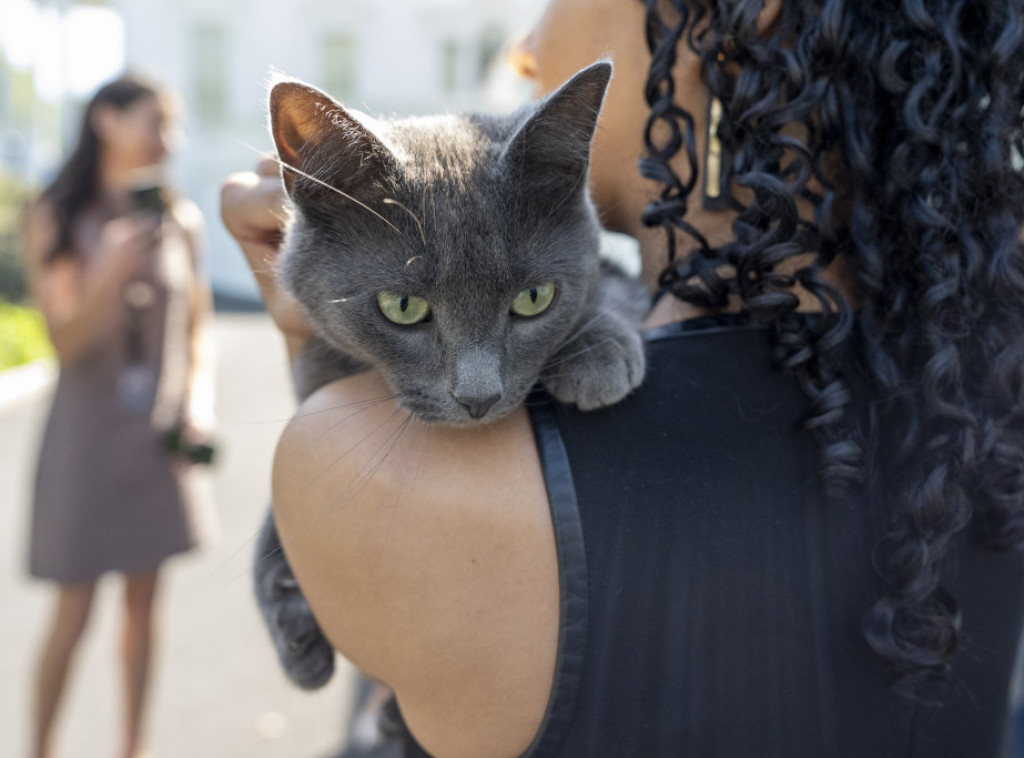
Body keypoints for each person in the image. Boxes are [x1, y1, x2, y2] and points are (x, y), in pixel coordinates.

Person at [221, 0, 1024, 755]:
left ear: (729, 14)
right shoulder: (983, 389)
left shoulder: (409, 485)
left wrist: (322, 363)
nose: (527, 46)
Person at [23, 75, 216, 758]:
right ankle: (39, 747)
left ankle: (132, 750)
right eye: (153, 121)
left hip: (154, 436)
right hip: (85, 438)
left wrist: (198, 405)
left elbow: (196, 328)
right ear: (106, 119)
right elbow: (65, 344)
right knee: (72, 613)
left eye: (172, 125)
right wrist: (106, 272)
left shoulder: (180, 217)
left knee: (143, 609)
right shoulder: (56, 214)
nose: (167, 139)